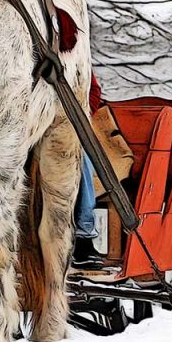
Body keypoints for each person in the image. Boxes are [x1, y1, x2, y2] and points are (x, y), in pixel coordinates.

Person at [72, 74, 106, 269]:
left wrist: (78, 118)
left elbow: (93, 92)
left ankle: (83, 236)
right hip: (24, 124)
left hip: (66, 123)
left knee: (79, 157)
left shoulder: (75, 51)